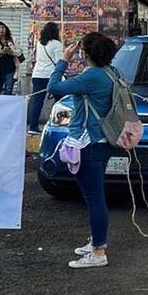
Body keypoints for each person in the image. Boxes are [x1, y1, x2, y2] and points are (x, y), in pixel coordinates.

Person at [48, 32, 119, 270]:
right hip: (105, 140)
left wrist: (63, 60)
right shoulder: (112, 72)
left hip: (89, 143)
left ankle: (98, 251)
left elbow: (54, 87)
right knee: (95, 196)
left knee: (94, 198)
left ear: (85, 53)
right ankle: (96, 242)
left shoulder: (91, 76)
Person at [29, 23, 64, 132]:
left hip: (37, 74)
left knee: (37, 102)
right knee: (60, 101)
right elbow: (59, 62)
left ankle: (33, 127)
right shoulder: (57, 44)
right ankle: (58, 124)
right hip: (51, 76)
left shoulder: (40, 43)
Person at [0, 22, 23, 95]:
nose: (1, 30)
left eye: (3, 27)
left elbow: (19, 52)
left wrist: (11, 52)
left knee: (8, 90)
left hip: (10, 69)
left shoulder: (12, 40)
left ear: (6, 29)